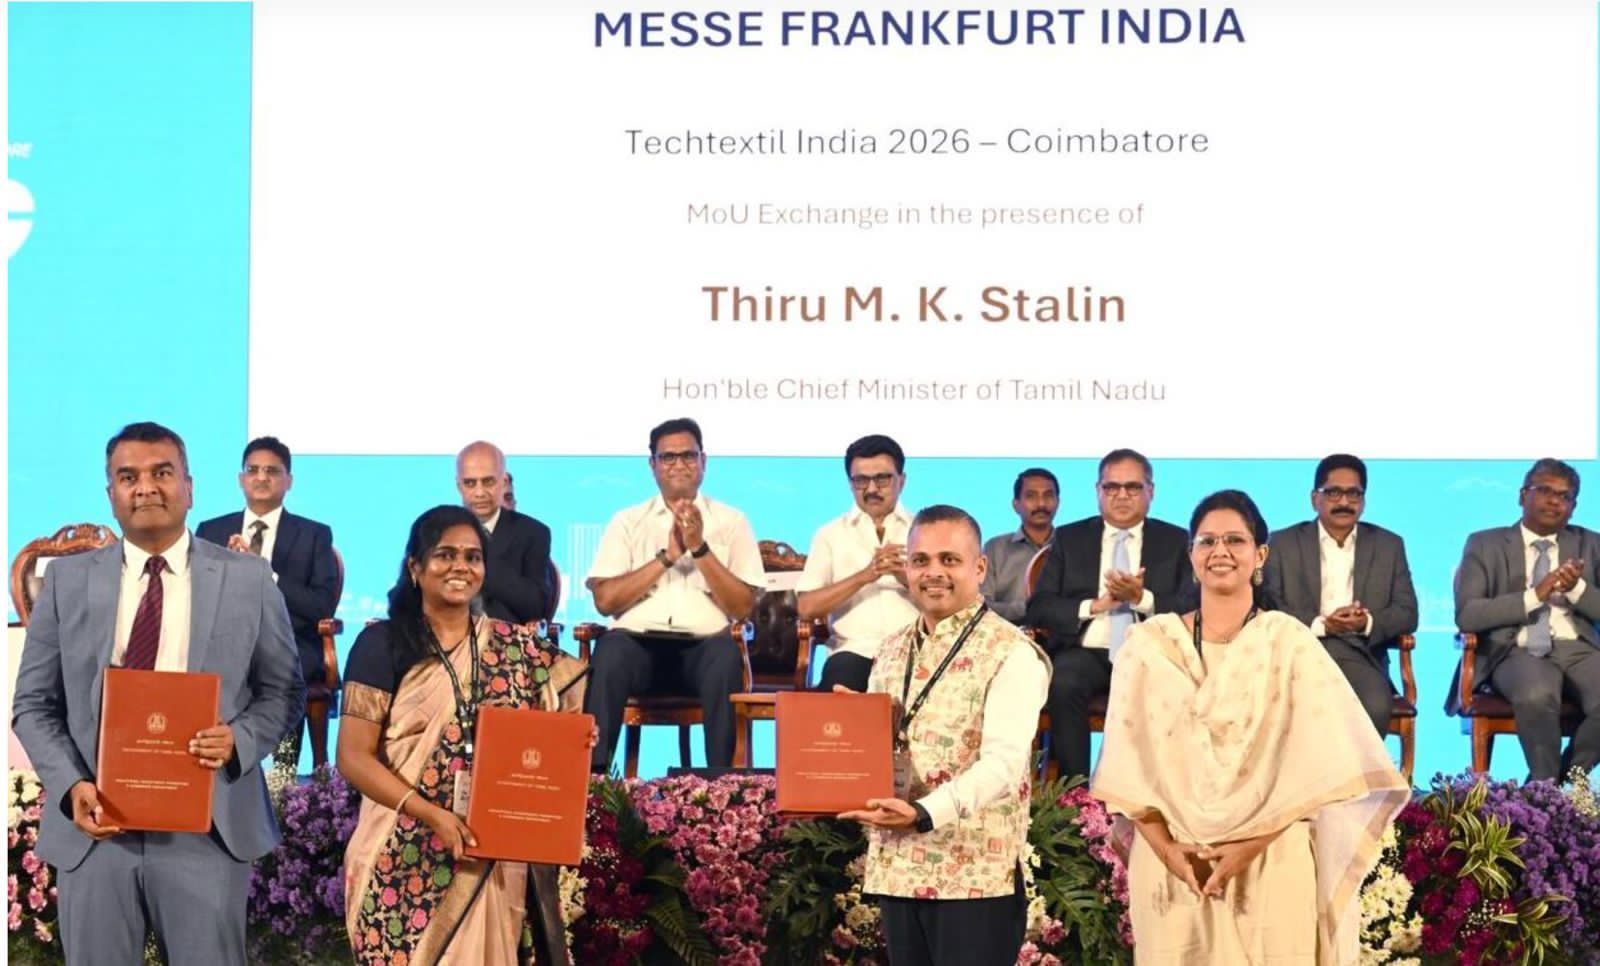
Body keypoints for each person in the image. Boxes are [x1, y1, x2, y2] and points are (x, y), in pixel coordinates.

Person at [12, 421, 304, 966]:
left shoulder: (247, 580)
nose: (145, 487)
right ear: (111, 495)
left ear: (189, 488)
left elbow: (284, 691)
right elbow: (33, 705)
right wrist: (72, 784)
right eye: (128, 477)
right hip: (95, 827)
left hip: (207, 827)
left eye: (161, 473)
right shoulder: (66, 582)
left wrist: (239, 740)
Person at [1093, 490, 1408, 963]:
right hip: (1173, 861)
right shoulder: (1149, 646)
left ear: (1260, 554)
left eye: (1235, 540)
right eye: (1207, 541)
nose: (1220, 551)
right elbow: (1127, 766)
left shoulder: (1288, 643)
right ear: (1191, 555)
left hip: (1272, 853)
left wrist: (1248, 845)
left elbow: (1323, 769)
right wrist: (1167, 852)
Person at [337, 505, 588, 965]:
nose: (460, 567)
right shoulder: (381, 644)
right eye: (445, 555)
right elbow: (354, 757)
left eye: (473, 557)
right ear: (415, 567)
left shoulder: (515, 647)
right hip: (402, 852)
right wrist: (430, 814)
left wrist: (572, 740)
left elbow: (572, 699)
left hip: (490, 849)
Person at [838, 504, 1048, 966]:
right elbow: (885, 748)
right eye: (921, 560)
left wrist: (922, 813)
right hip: (897, 868)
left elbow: (1003, 764)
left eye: (949, 560)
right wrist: (855, 732)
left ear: (979, 568)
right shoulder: (891, 649)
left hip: (976, 876)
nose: (934, 573)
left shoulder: (1012, 653)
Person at [583, 417, 763, 771]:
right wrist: (667, 557)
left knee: (726, 656)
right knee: (609, 650)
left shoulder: (732, 521)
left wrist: (699, 549)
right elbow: (606, 602)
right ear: (652, 465)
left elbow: (742, 607)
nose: (679, 465)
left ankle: (722, 791)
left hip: (704, 650)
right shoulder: (627, 521)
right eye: (668, 457)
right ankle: (592, 785)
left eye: (688, 456)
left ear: (704, 461)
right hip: (639, 649)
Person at [1024, 449, 1193, 779]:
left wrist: (1141, 598)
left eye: (1132, 487)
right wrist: (1095, 607)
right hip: (1085, 651)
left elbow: (1191, 605)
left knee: (1174, 682)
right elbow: (1040, 606)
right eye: (1111, 487)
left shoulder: (1174, 540)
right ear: (1097, 491)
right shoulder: (1071, 538)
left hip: (1150, 651)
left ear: (1151, 491)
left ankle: (1154, 793)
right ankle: (1075, 798)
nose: (1121, 496)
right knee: (1064, 680)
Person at [1451, 458, 1600, 781]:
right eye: (1545, 490)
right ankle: (1545, 788)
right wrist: (1536, 595)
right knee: (1537, 693)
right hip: (1515, 649)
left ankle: (1550, 788)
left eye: (1565, 496)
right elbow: (1468, 615)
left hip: (1578, 648)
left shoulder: (1591, 544)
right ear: (1522, 495)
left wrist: (1577, 590)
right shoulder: (1485, 544)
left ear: (1574, 506)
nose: (1554, 501)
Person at [197, 435, 340, 766]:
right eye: (253, 470)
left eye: (272, 471)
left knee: (283, 670)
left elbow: (321, 605)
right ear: (241, 478)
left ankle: (286, 778)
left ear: (288, 481)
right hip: (224, 642)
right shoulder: (211, 530)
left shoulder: (314, 534)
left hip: (288, 644)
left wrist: (265, 573)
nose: (261, 478)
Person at [1262, 453, 1418, 736]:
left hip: (1363, 653)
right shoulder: (1282, 543)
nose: (1344, 502)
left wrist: (1365, 623)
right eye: (1334, 492)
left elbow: (1408, 612)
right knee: (1302, 712)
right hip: (1301, 653)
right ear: (1315, 498)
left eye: (1353, 494)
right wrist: (1323, 624)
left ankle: (1361, 781)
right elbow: (1269, 606)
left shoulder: (1388, 545)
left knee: (1373, 705)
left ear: (1364, 500)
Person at [796, 434, 918, 693]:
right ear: (850, 483)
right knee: (840, 683)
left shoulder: (923, 531)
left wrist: (904, 575)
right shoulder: (829, 534)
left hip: (915, 651)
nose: (872, 489)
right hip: (853, 651)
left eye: (882, 479)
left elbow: (951, 602)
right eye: (861, 480)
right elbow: (806, 607)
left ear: (901, 481)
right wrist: (865, 576)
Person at [456, 441, 553, 624]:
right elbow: (407, 594)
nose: (479, 492)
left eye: (488, 482)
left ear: (504, 482)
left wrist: (479, 561)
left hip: (506, 642)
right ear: (459, 486)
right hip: (443, 639)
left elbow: (536, 606)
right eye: (470, 483)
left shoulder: (532, 533)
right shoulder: (439, 530)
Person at [979, 468, 1060, 623]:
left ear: (1058, 502)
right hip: (1007, 639)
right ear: (1016, 505)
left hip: (1063, 641)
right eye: (1031, 496)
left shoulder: (1071, 546)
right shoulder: (995, 549)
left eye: (1048, 495)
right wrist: (1029, 609)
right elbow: (981, 605)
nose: (1041, 504)